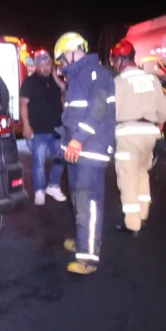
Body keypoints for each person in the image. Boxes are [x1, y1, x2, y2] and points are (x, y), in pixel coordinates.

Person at [54, 31, 116, 275]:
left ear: (72, 51)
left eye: (61, 59)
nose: (60, 64)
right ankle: (82, 242)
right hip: (77, 151)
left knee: (87, 202)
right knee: (77, 198)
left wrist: (78, 140)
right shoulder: (76, 78)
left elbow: (98, 110)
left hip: (91, 150)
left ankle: (88, 257)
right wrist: (66, 143)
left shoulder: (96, 73)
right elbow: (72, 116)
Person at [109, 39, 166, 235]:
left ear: (119, 61)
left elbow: (111, 112)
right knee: (143, 173)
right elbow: (164, 111)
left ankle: (132, 224)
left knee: (127, 179)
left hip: (127, 135)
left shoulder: (118, 82)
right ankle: (143, 215)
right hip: (150, 134)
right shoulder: (152, 79)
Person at [19, 50, 67, 205]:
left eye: (47, 64)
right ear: (36, 66)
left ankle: (53, 186)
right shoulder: (29, 82)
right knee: (38, 162)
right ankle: (39, 190)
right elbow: (23, 104)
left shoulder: (56, 80)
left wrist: (54, 75)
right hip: (38, 131)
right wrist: (26, 126)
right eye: (41, 65)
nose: (45, 68)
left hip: (57, 130)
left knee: (61, 158)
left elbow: (65, 89)